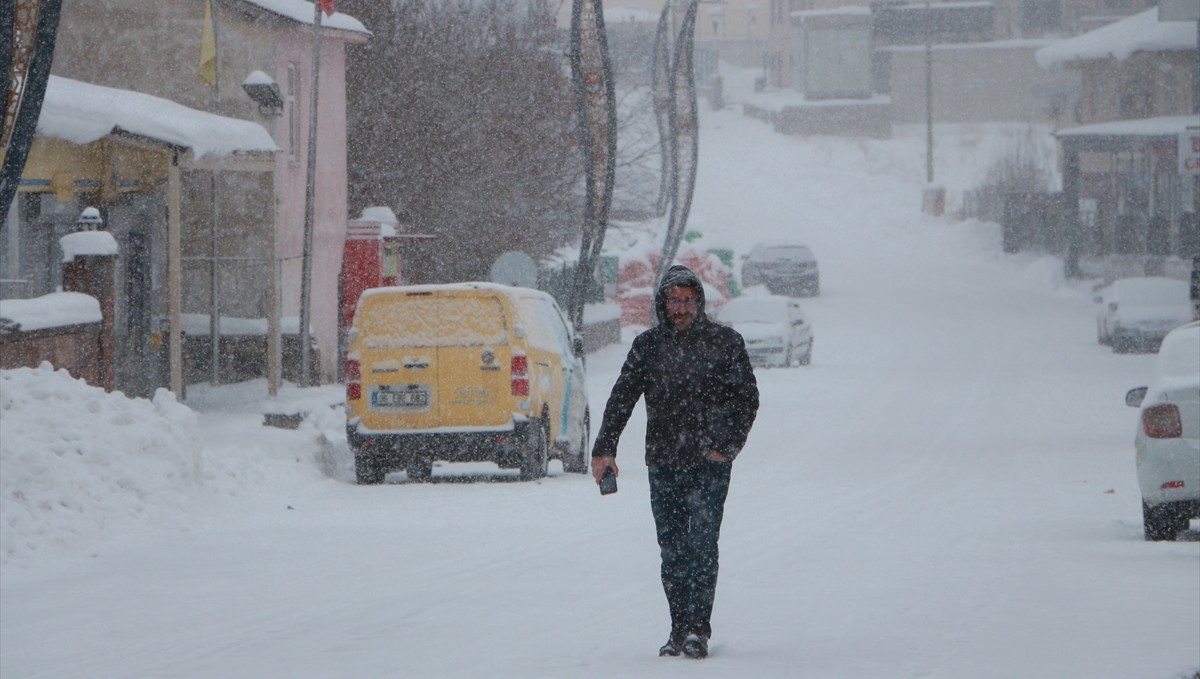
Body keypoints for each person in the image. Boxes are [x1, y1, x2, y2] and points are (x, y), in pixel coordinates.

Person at [591, 264, 759, 659]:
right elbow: (622, 398)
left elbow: (746, 399)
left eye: (687, 300)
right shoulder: (648, 347)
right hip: (664, 461)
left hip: (709, 462)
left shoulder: (725, 343)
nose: (681, 308)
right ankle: (678, 627)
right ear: (663, 304)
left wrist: (727, 445)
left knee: (702, 544)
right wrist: (604, 447)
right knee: (672, 549)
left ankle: (699, 629)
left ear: (699, 302)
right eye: (674, 301)